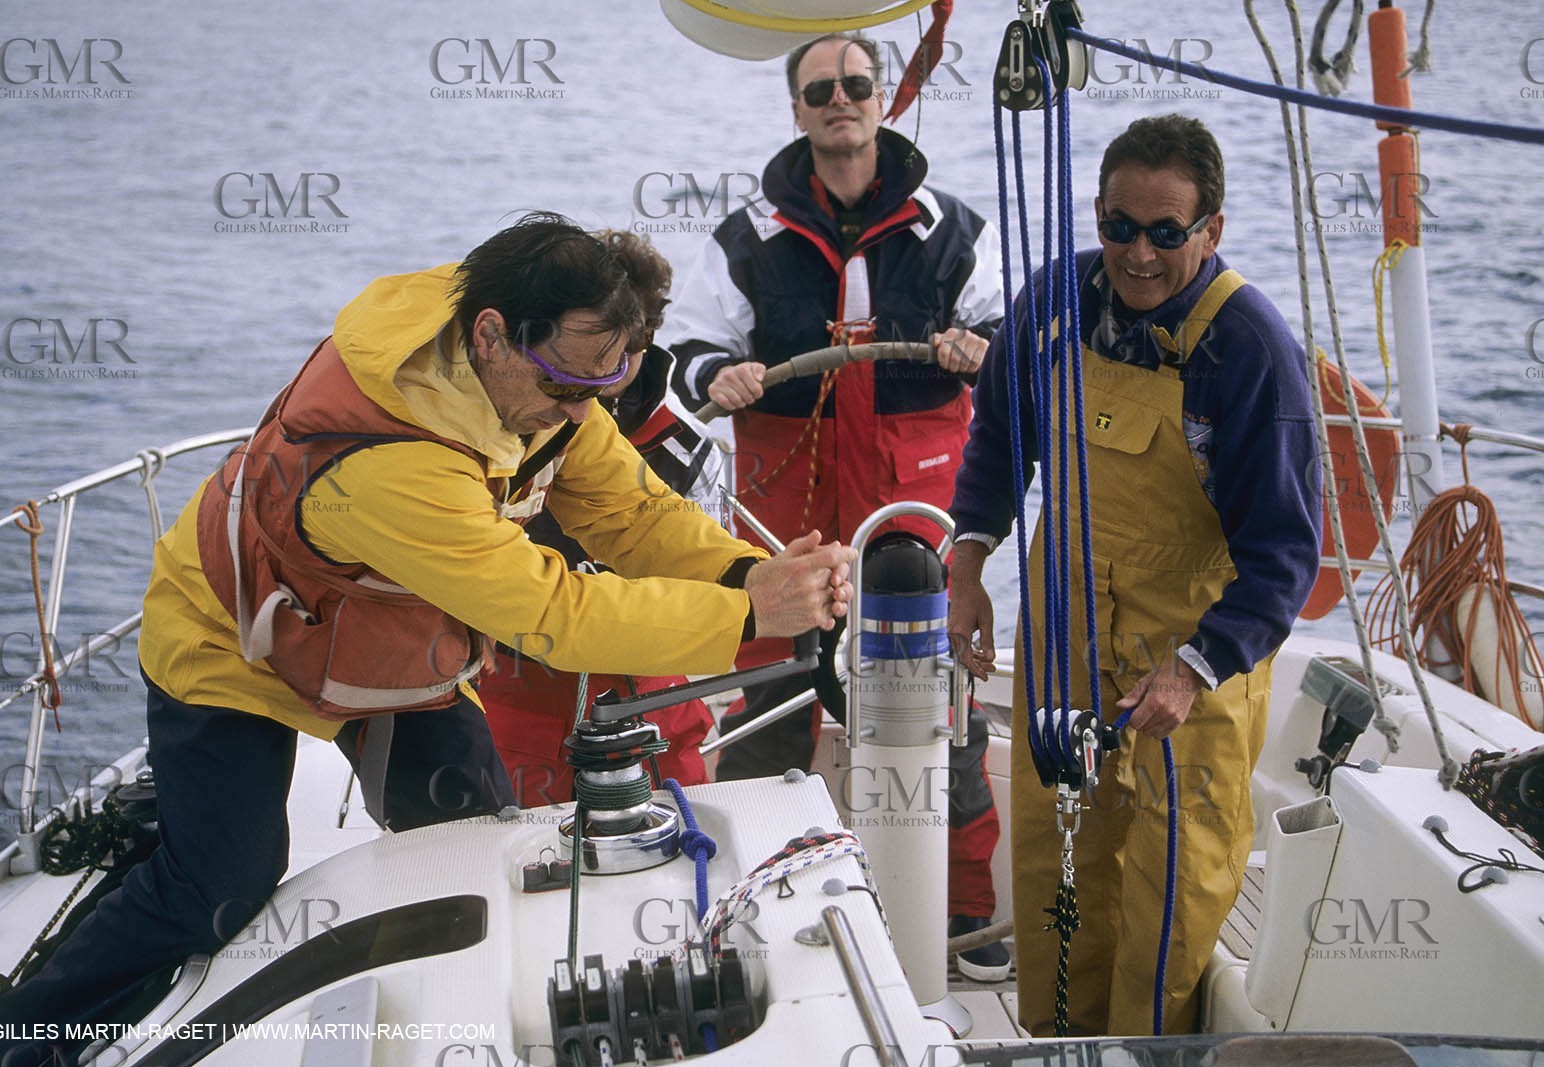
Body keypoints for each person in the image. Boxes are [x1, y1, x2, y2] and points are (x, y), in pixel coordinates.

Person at [0, 214, 854, 1067]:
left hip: (388, 643)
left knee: (475, 838)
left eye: (604, 388)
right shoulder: (392, 460)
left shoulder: (536, 375)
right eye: (565, 388)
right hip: (234, 639)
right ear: (492, 336)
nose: (580, 412)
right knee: (219, 884)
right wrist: (748, 617)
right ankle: (12, 1042)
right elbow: (552, 613)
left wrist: (747, 574)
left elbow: (629, 510)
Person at [948, 115, 1323, 1034]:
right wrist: (968, 562)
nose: (1138, 254)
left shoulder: (1253, 351)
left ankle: (1145, 1053)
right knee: (1056, 851)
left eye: (1165, 231)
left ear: (1212, 228)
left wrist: (1193, 669)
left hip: (1194, 646)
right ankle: (1059, 1044)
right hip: (1066, 617)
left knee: (1174, 880)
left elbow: (1284, 556)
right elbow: (998, 441)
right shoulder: (1052, 301)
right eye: (1119, 226)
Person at [664, 33, 1010, 980]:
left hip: (914, 521)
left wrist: (978, 348)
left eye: (856, 84)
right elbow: (685, 352)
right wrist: (718, 374)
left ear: (881, 97)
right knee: (770, 708)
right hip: (788, 524)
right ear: (797, 110)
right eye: (820, 90)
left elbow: (1004, 335)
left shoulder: (951, 230)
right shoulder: (747, 239)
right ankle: (745, 906)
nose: (840, 100)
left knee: (942, 713)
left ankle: (964, 912)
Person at [481, 229, 720, 803]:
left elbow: (705, 561)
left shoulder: (686, 447)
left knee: (684, 822)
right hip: (520, 683)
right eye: (578, 362)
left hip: (653, 686)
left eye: (621, 354)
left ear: (647, 338)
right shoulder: (498, 426)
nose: (599, 375)